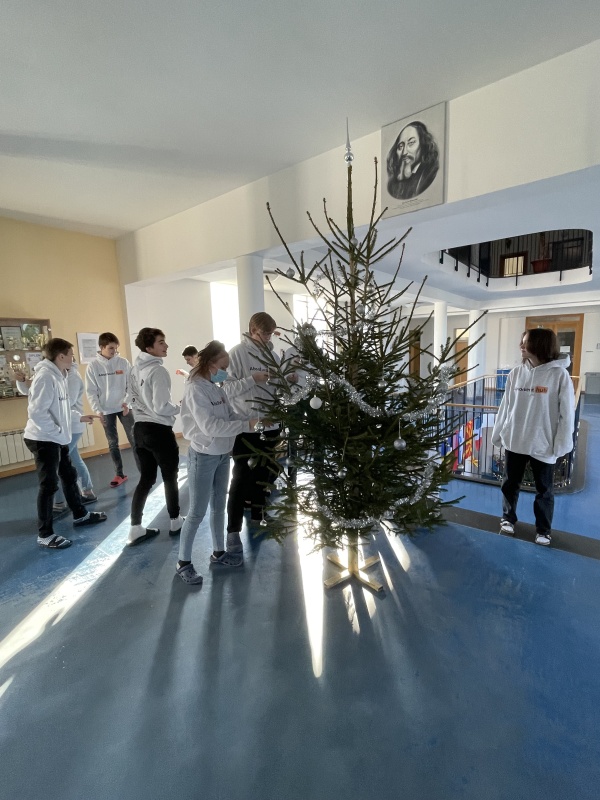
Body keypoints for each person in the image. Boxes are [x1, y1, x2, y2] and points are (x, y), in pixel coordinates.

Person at [176, 340, 258, 585]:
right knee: (196, 512)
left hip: (223, 454)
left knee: (218, 506)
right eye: (222, 367)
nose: (225, 372)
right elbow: (209, 426)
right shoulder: (195, 389)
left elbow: (230, 414)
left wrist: (252, 420)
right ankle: (183, 563)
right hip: (203, 455)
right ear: (210, 363)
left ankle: (219, 552)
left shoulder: (216, 387)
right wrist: (245, 425)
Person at [491, 329, 575, 547]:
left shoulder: (559, 376)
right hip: (515, 440)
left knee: (545, 491)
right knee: (510, 484)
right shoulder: (515, 374)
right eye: (522, 341)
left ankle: (543, 530)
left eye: (525, 342)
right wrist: (499, 433)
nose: (521, 345)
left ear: (539, 345)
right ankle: (508, 518)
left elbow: (567, 413)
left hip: (543, 444)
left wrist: (562, 444)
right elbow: (506, 407)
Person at [23, 338, 107, 549]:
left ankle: (80, 514)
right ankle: (45, 534)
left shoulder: (59, 375)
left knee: (69, 475)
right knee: (49, 485)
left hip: (55, 438)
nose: (73, 358)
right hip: (43, 439)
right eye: (71, 354)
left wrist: (78, 417)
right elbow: (36, 413)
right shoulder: (45, 377)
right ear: (60, 356)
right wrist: (57, 432)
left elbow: (60, 409)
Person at [225, 312, 294, 552]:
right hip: (246, 426)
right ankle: (232, 531)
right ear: (252, 330)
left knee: (264, 474)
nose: (268, 337)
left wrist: (287, 380)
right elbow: (227, 389)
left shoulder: (273, 355)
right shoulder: (236, 354)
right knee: (240, 477)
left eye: (271, 333)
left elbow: (276, 389)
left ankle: (259, 515)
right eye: (264, 333)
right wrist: (252, 379)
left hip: (271, 424)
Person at [127, 327, 184, 545]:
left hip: (139, 430)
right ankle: (175, 521)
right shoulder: (158, 371)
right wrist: (181, 407)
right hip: (159, 431)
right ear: (149, 348)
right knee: (170, 477)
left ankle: (135, 528)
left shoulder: (134, 369)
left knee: (146, 479)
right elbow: (161, 407)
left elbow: (132, 399)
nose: (166, 345)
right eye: (161, 342)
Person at [86, 332, 140, 488]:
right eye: (110, 348)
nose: (114, 351)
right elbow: (91, 391)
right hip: (105, 410)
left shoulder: (123, 363)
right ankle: (119, 474)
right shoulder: (93, 366)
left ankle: (144, 473)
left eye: (116, 348)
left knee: (135, 440)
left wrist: (127, 403)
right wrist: (98, 410)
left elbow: (131, 385)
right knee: (112, 443)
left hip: (124, 407)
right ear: (101, 347)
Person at [52, 359, 98, 510]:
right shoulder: (61, 375)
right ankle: (87, 491)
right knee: (75, 459)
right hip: (68, 426)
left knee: (59, 463)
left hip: (73, 426)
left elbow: (66, 405)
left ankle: (60, 502)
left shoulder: (72, 377)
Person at [386, 121, 439, 201]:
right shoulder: (392, 184)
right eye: (400, 146)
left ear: (423, 145)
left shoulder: (431, 174)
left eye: (411, 143)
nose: (404, 152)